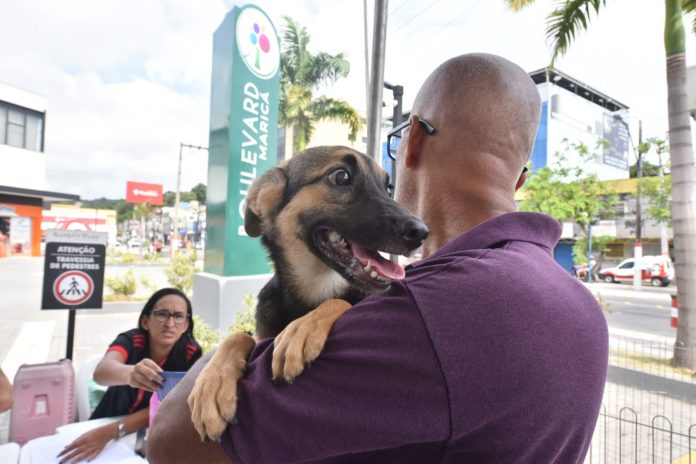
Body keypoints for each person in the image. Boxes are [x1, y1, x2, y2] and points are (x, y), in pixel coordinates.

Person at [148, 53, 608, 463]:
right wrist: (238, 344)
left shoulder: (428, 314)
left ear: (414, 142)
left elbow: (170, 442)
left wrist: (223, 355)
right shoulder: (582, 306)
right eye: (344, 179)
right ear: (520, 179)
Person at [58, 287, 202, 464]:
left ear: (186, 325)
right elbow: (102, 372)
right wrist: (130, 374)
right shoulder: (131, 340)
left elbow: (173, 403)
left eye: (179, 316)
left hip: (151, 428)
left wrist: (114, 430)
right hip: (108, 417)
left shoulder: (191, 352)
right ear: (145, 321)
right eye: (162, 314)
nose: (170, 324)